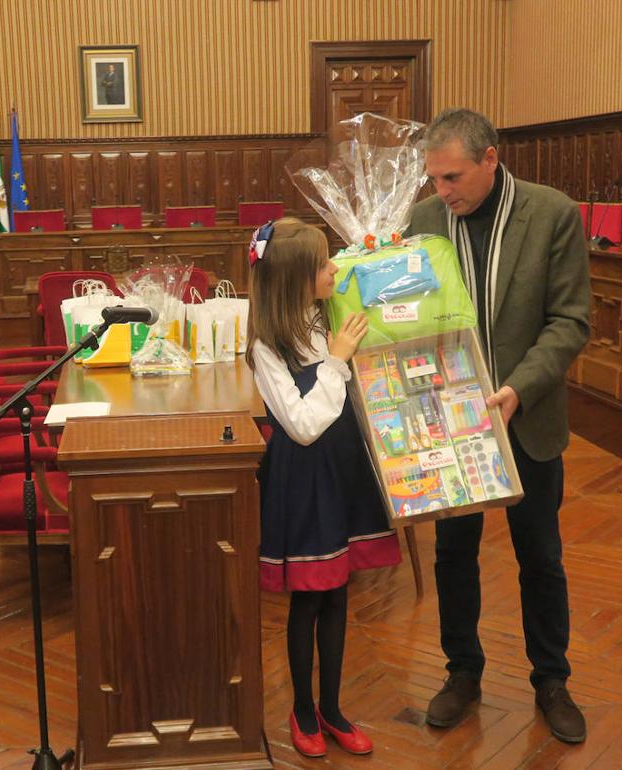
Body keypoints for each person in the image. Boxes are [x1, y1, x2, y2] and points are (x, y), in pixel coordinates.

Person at [407, 108, 591, 743]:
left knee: (539, 555)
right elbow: (410, 320)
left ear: (490, 159)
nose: (443, 192)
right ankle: (462, 672)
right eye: (434, 179)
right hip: (450, 422)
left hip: (527, 414)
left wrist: (517, 388)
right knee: (454, 555)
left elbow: (570, 321)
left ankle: (552, 680)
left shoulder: (552, 214)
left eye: (453, 177)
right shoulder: (425, 221)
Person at [245, 217, 402, 758]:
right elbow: (304, 424)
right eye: (323, 264)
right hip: (305, 477)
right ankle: (303, 709)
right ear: (295, 279)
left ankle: (333, 708)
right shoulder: (268, 345)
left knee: (339, 594)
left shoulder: (328, 315)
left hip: (344, 470)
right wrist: (336, 360)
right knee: (309, 599)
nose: (334, 269)